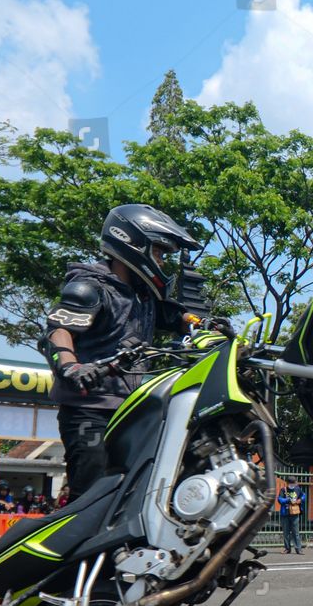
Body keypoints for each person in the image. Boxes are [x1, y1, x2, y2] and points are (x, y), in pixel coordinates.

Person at [40, 204, 208, 501]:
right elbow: (58, 331)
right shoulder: (90, 287)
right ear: (133, 243)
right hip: (89, 410)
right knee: (91, 498)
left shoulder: (144, 297)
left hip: (130, 411)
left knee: (138, 492)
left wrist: (205, 324)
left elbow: (176, 317)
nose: (161, 262)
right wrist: (71, 367)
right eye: (158, 252)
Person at [279, 481, 306, 554]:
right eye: (291, 483)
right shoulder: (283, 490)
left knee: (296, 532)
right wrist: (288, 500)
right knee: (286, 532)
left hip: (294, 513)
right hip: (285, 514)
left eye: (293, 483)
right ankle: (287, 549)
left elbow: (303, 495)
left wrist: (300, 500)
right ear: (288, 483)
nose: (292, 485)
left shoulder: (297, 489)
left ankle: (298, 549)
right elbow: (280, 499)